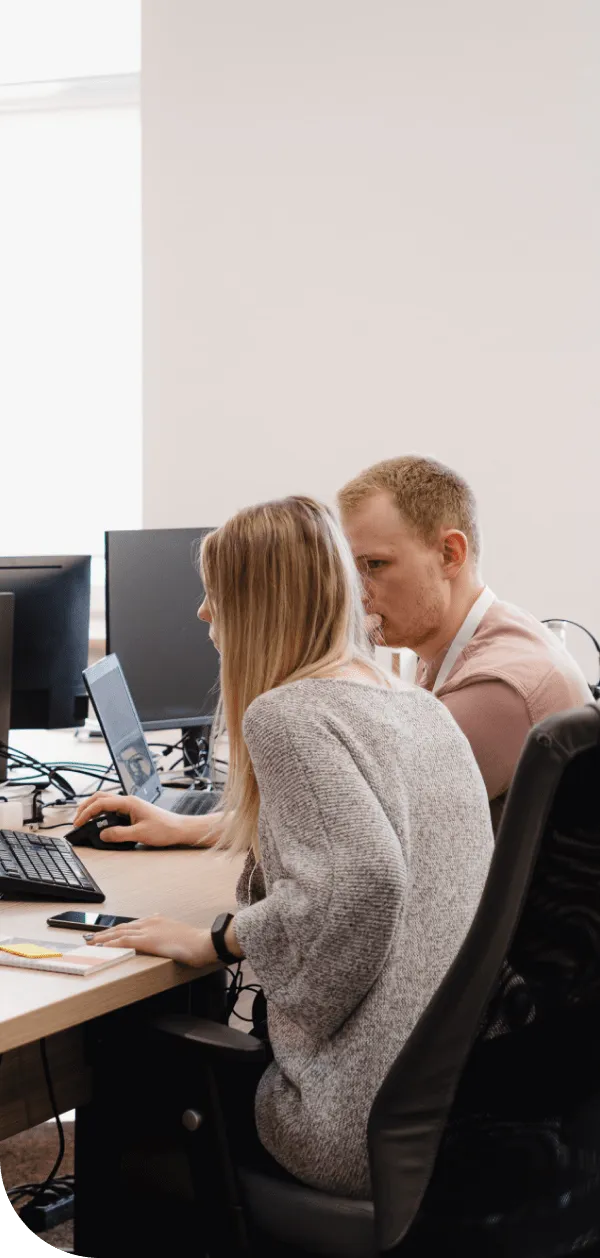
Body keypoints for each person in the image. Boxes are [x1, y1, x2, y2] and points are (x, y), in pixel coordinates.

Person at [76, 495, 493, 1199]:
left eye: (216, 595)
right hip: (460, 1107)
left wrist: (220, 940)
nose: (205, 614)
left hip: (352, 1122)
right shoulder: (416, 705)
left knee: (120, 1053)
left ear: (257, 602)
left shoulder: (288, 714)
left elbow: (361, 881)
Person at [338, 455, 591, 830]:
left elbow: (357, 830)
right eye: (349, 570)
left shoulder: (498, 688)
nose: (358, 594)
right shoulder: (455, 644)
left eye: (374, 565)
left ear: (449, 555)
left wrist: (335, 657)